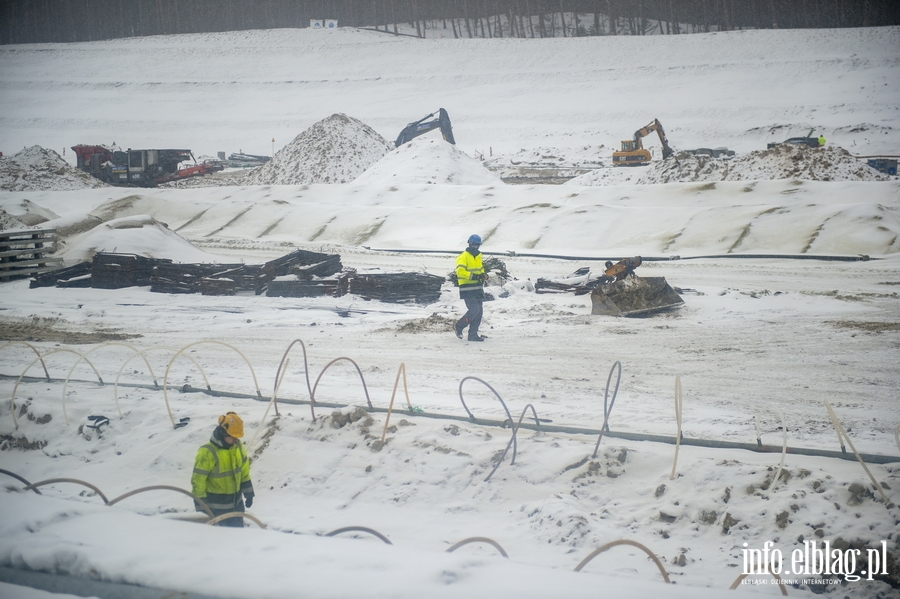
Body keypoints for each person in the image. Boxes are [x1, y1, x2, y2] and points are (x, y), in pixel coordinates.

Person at [191, 412, 255, 527]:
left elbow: (244, 470)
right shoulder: (207, 452)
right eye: (233, 436)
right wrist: (202, 508)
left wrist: (248, 492)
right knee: (218, 542)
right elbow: (198, 481)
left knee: (237, 540)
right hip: (216, 511)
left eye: (237, 437)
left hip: (236, 507)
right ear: (222, 432)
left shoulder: (237, 447)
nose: (235, 439)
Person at [454, 234, 487, 342]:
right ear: (470, 243)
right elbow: (460, 272)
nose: (476, 247)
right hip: (467, 287)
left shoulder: (478, 256)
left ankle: (473, 335)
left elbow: (480, 269)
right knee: (474, 309)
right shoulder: (463, 256)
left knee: (479, 311)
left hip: (477, 287)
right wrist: (475, 276)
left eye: (478, 245)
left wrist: (483, 275)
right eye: (475, 244)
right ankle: (459, 326)